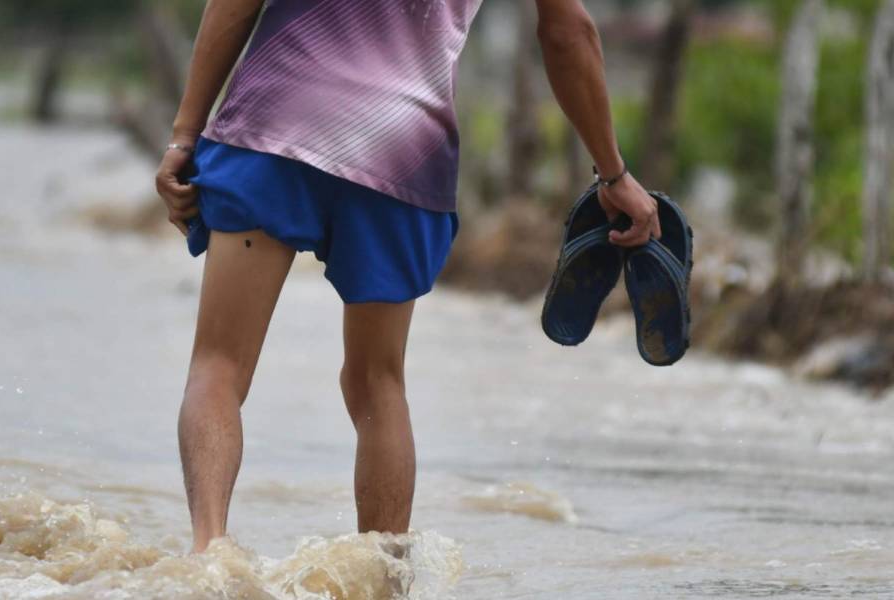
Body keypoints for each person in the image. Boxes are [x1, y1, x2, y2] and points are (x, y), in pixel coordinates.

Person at [155, 0, 661, 554]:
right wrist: (613, 173)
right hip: (403, 149)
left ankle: (209, 557)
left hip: (274, 122)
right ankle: (384, 574)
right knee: (378, 384)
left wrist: (185, 135)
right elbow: (569, 32)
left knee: (220, 366)